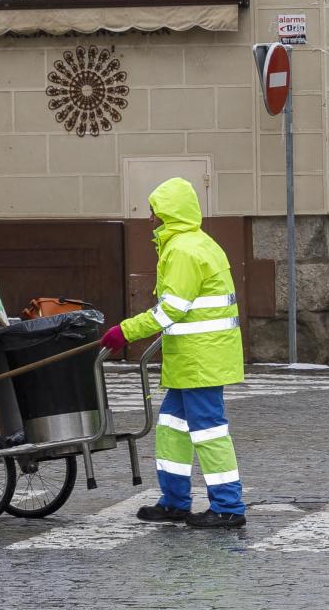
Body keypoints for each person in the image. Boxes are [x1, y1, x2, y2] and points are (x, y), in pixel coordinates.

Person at [99, 177, 246, 528]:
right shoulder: (198, 244)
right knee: (172, 428)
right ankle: (175, 501)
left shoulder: (182, 250)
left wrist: (125, 332)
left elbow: (170, 311)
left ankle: (229, 507)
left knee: (209, 432)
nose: (150, 217)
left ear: (170, 213)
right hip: (194, 358)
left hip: (200, 359)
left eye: (155, 211)